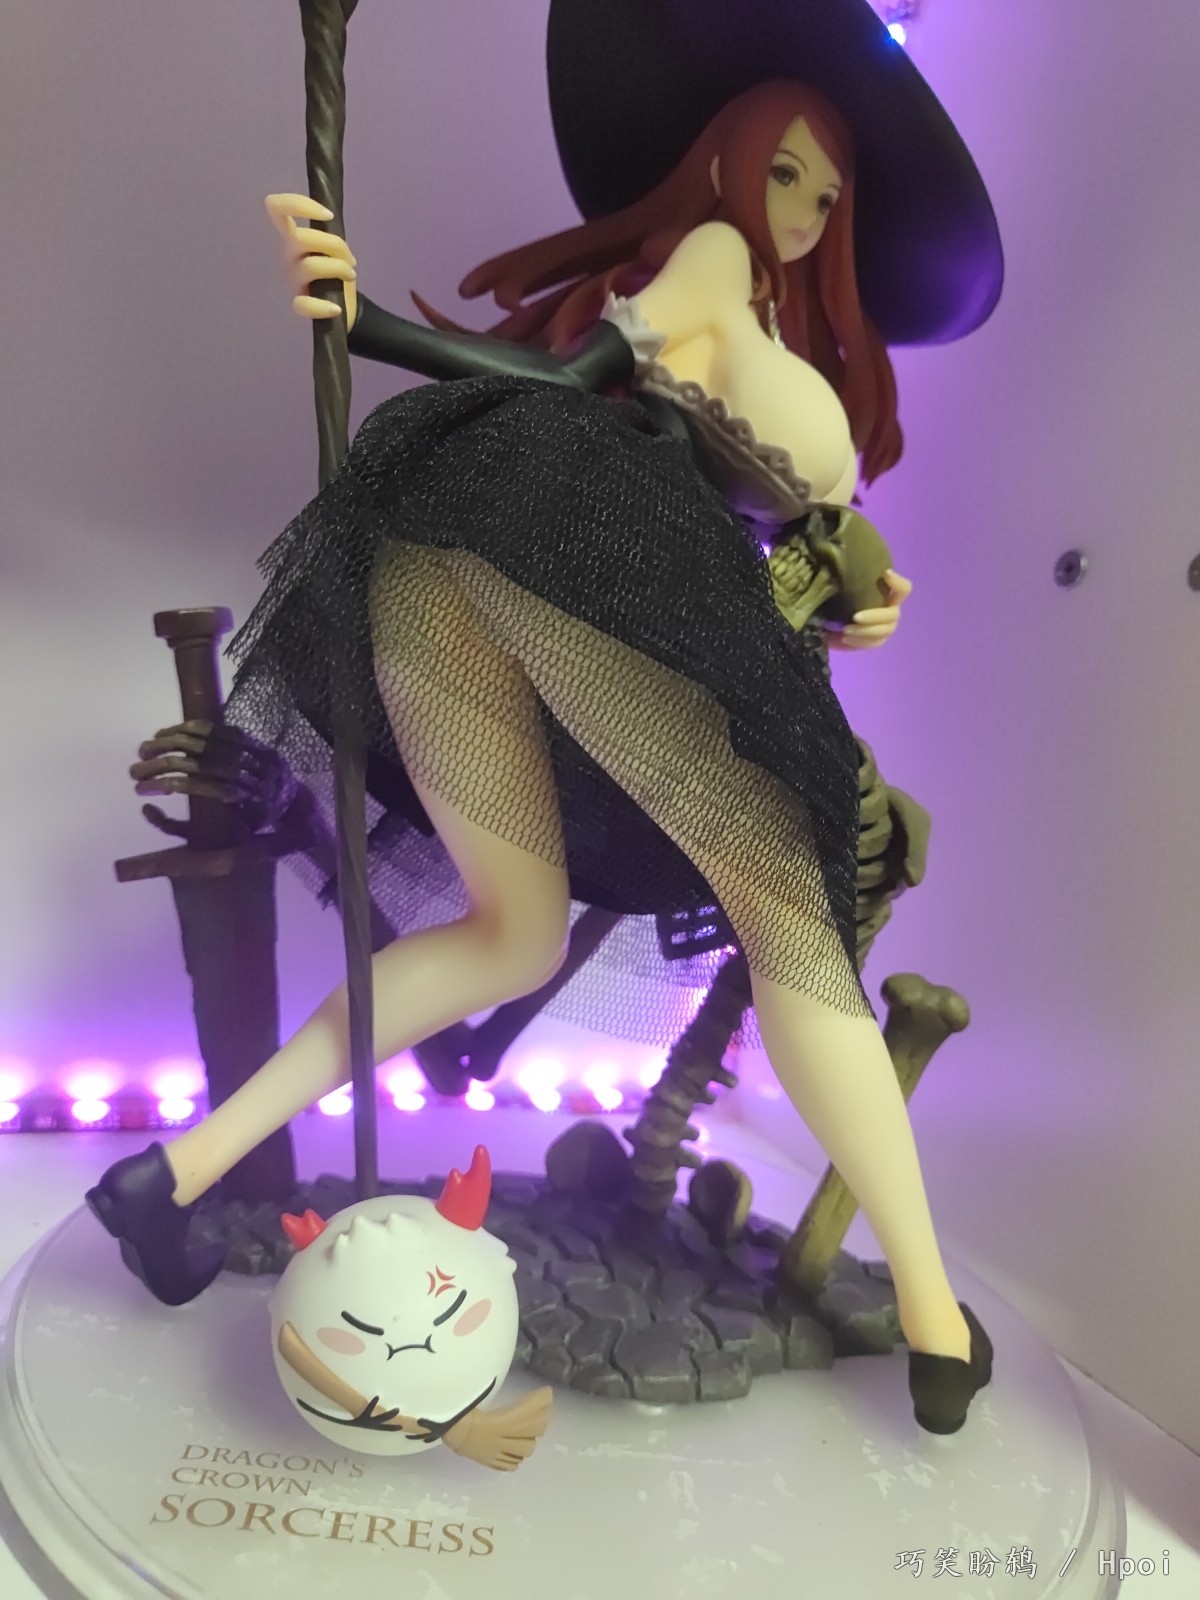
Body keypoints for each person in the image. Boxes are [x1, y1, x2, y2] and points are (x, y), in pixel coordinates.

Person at [88, 0, 1003, 1437]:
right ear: (720, 165)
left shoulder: (763, 316)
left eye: (828, 195)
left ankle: (176, 1176)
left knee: (510, 935)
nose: (804, 210)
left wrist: (842, 600)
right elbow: (573, 386)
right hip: (543, 546)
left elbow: (718, 494)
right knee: (793, 920)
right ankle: (941, 1326)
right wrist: (369, 323)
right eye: (782, 172)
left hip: (449, 568)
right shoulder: (715, 262)